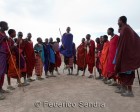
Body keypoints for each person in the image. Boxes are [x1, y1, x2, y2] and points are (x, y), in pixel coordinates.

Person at [114, 16, 140, 97]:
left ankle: (130, 92)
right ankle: (123, 88)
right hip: (123, 55)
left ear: (121, 21)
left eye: (118, 21)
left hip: (127, 56)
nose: (117, 22)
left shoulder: (126, 29)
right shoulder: (124, 29)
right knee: (122, 72)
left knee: (128, 74)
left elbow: (133, 41)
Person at [0, 21, 9, 100]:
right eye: (6, 25)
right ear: (2, 26)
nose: (7, 26)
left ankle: (1, 88)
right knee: (0, 72)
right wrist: (3, 38)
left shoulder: (5, 34)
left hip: (4, 53)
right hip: (0, 53)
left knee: (2, 73)